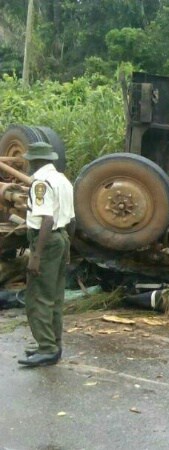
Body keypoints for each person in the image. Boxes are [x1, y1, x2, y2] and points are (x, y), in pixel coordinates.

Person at [18, 141, 74, 368]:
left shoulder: (40, 183)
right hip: (61, 238)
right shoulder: (63, 180)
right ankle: (53, 344)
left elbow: (47, 219)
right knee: (55, 297)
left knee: (38, 296)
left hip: (46, 240)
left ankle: (47, 348)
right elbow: (71, 219)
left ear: (34, 161)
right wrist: (68, 248)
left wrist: (36, 255)